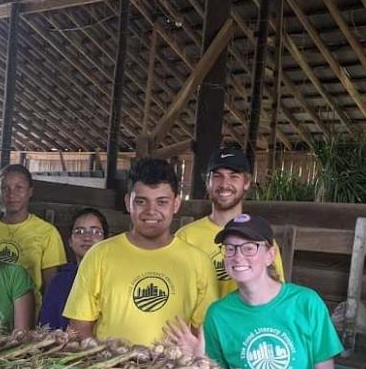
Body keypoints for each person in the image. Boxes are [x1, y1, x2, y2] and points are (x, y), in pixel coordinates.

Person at [166, 214, 341, 369]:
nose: (238, 256)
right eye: (230, 249)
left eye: (249, 248)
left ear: (270, 255)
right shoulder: (218, 314)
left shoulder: (306, 303)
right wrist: (201, 360)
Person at [64, 158, 216, 346]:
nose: (151, 211)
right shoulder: (99, 255)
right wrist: (103, 364)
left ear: (176, 204)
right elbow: (79, 325)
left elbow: (201, 332)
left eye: (162, 202)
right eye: (142, 201)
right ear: (128, 203)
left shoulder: (199, 262)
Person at [176, 143, 284, 297]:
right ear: (208, 183)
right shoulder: (185, 237)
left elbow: (276, 293)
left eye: (233, 176)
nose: (224, 184)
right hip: (199, 321)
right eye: (217, 176)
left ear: (246, 183)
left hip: (246, 320)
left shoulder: (261, 239)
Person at [0, 165, 66, 307]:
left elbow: (51, 285)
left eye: (19, 187)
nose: (12, 194)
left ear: (30, 191)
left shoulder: (47, 232)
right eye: (5, 187)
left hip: (28, 315)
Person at [38, 208, 108, 331]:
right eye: (79, 231)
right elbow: (47, 327)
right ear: (70, 241)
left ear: (106, 240)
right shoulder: (59, 282)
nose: (87, 237)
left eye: (95, 231)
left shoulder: (113, 278)